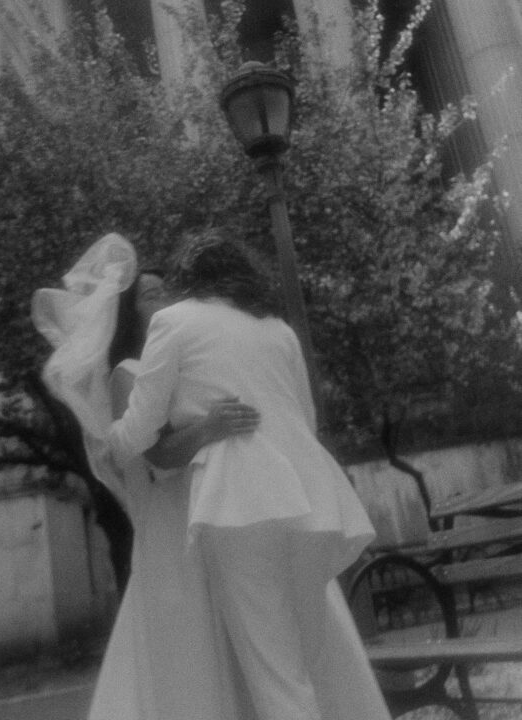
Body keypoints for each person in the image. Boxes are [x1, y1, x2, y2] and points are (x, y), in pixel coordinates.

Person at [109, 229, 392, 720]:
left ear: (188, 277)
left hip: (239, 505)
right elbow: (305, 419)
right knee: (310, 659)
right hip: (313, 502)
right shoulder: (277, 329)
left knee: (275, 672)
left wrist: (102, 438)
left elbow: (137, 434)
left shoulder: (174, 323)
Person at [31, 233, 260, 720]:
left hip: (202, 520)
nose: (167, 302)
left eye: (167, 293)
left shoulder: (179, 363)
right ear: (128, 315)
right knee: (187, 657)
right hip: (170, 531)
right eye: (153, 295)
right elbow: (154, 460)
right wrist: (210, 428)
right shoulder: (126, 376)